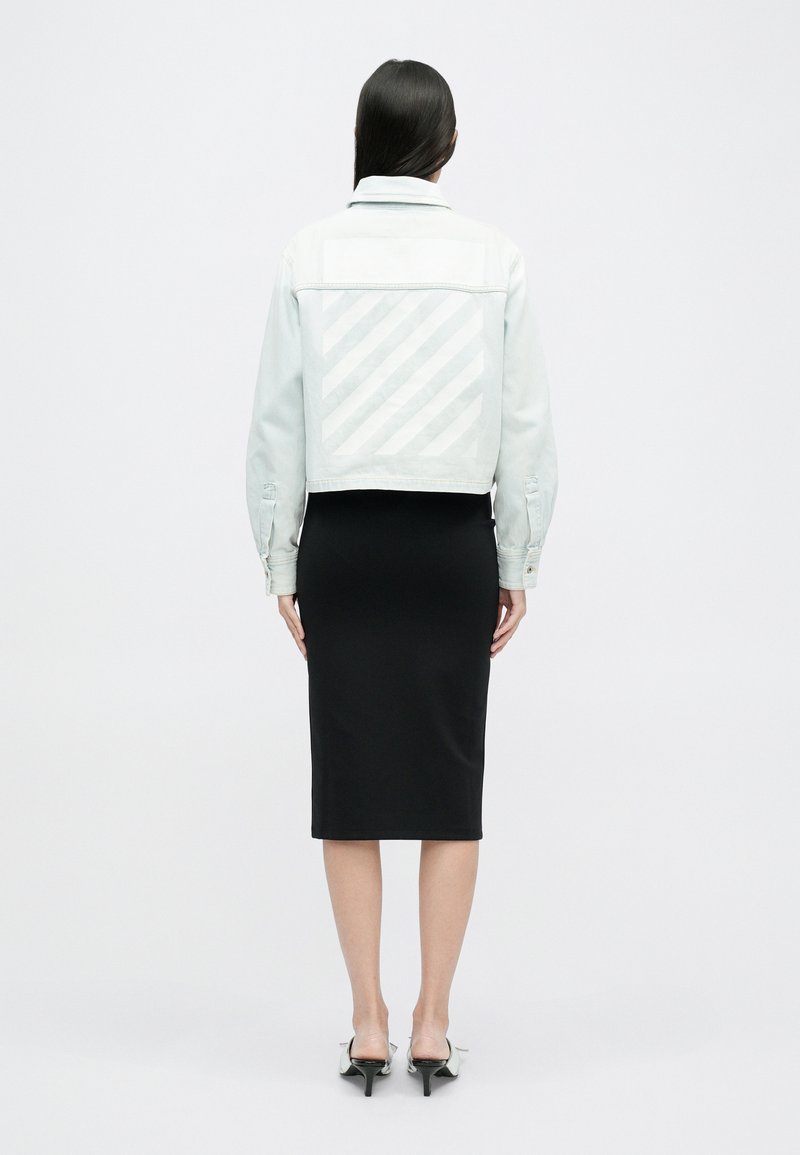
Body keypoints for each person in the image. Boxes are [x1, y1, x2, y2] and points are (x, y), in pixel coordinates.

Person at [245, 58, 558, 1096]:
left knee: (349, 786)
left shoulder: (308, 254)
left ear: (362, 138)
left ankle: (366, 1022)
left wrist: (279, 554)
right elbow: (524, 426)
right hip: (448, 545)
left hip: (344, 543)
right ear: (446, 144)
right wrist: (515, 555)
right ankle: (433, 1022)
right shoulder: (493, 258)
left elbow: (277, 425)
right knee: (447, 787)